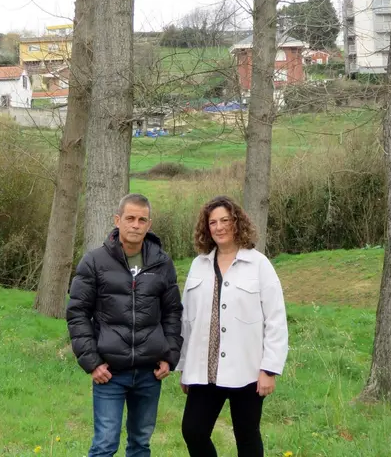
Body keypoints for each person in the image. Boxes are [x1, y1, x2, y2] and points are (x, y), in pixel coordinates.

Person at [67, 193, 183, 457]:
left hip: (149, 372)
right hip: (110, 372)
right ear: (117, 220)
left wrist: (170, 356)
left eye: (142, 220)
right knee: (105, 444)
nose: (135, 225)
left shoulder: (162, 263)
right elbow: (77, 313)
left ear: (149, 225)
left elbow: (173, 313)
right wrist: (92, 362)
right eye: (130, 218)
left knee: (141, 444)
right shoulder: (94, 262)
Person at [177, 195, 288, 457]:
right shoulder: (198, 265)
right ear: (207, 228)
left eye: (225, 220)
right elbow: (187, 320)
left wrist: (269, 369)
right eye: (213, 222)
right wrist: (184, 366)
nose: (219, 227)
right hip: (204, 370)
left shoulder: (259, 265)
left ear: (237, 222)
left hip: (247, 371)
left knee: (247, 437)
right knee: (193, 431)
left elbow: (275, 318)